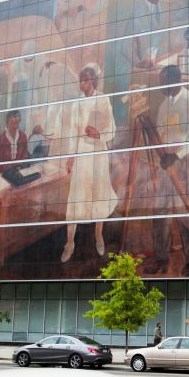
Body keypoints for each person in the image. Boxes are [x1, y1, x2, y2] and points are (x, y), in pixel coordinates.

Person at [145, 65, 189, 276]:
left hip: (181, 161)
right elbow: (160, 133)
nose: (162, 87)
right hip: (164, 162)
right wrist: (160, 155)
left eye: (165, 83)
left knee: (184, 210)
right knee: (160, 211)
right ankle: (161, 259)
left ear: (176, 80)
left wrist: (176, 155)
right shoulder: (163, 105)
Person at [62, 64, 117, 262]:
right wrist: (70, 156)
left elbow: (112, 130)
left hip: (98, 153)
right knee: (76, 196)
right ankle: (70, 242)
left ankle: (98, 235)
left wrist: (99, 133)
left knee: (98, 194)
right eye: (80, 80)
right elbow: (73, 134)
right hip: (83, 153)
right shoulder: (76, 104)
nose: (81, 84)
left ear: (92, 80)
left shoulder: (103, 100)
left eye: (84, 80)